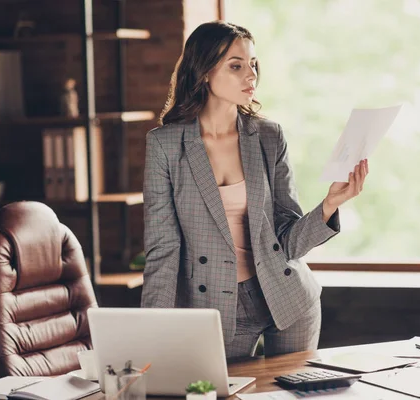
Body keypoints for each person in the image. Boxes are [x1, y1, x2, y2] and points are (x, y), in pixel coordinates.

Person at [140, 21, 368, 359]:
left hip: (287, 298)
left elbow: (286, 240)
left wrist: (329, 206)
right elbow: (163, 248)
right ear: (204, 71)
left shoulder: (268, 136)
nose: (251, 75)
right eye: (236, 66)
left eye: (253, 64)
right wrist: (149, 331)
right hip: (215, 308)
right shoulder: (166, 145)